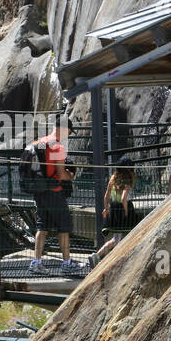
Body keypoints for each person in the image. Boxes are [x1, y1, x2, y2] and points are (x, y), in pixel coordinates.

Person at [29, 116, 80, 275]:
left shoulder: (39, 142)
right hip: (55, 191)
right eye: (69, 132)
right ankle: (66, 264)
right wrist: (71, 176)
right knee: (63, 227)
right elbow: (60, 173)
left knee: (42, 227)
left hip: (39, 191)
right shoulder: (57, 146)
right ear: (63, 129)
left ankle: (36, 262)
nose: (68, 135)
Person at [89, 160, 138, 268]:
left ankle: (96, 256)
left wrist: (106, 208)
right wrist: (126, 212)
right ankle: (119, 261)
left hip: (114, 208)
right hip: (124, 209)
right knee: (129, 235)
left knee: (116, 239)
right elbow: (124, 198)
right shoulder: (127, 180)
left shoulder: (113, 178)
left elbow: (106, 195)